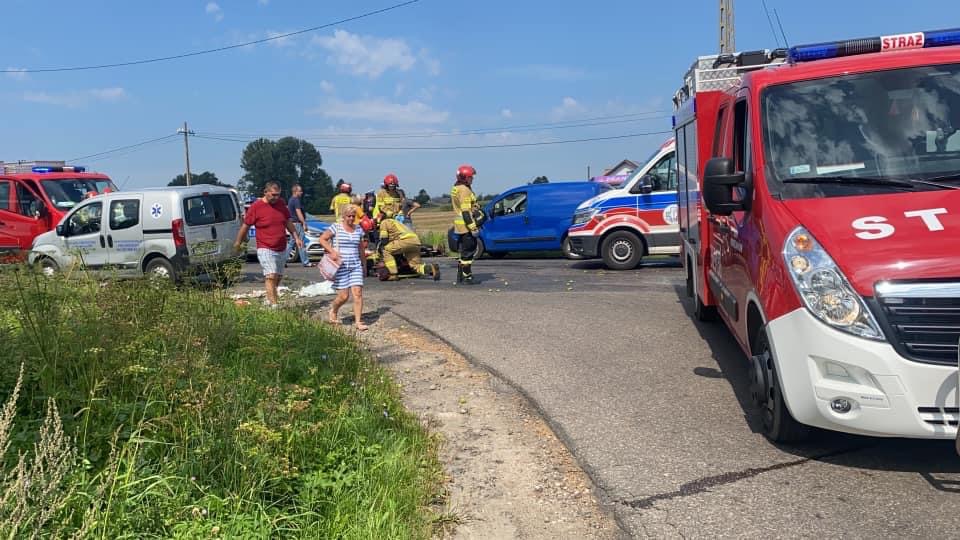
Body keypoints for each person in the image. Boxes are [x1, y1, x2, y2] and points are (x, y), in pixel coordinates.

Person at [234, 182, 303, 308]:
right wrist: (238, 242)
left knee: (278, 276)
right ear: (265, 192)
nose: (276, 197)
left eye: (278, 195)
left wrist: (296, 237)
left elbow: (288, 222)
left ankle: (269, 298)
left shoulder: (281, 204)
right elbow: (245, 226)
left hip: (281, 246)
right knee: (271, 275)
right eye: (273, 195)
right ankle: (274, 305)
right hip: (265, 247)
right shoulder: (256, 207)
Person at [318, 204, 369, 331]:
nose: (351, 219)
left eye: (353, 216)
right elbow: (322, 239)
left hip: (355, 264)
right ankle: (334, 309)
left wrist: (364, 264)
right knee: (344, 296)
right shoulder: (336, 227)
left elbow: (361, 248)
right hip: (340, 265)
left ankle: (358, 321)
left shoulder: (358, 229)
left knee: (357, 293)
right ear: (344, 216)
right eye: (349, 216)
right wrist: (332, 252)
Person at [378, 214, 439, 281]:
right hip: (415, 241)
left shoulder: (384, 222)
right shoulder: (395, 222)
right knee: (415, 266)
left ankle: (393, 274)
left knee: (385, 250)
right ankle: (431, 268)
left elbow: (384, 240)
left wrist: (380, 249)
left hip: (405, 241)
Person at [450, 164, 481, 284]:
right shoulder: (464, 190)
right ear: (464, 177)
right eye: (470, 177)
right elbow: (465, 212)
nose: (472, 178)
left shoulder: (457, 187)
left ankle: (460, 275)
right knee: (468, 252)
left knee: (464, 251)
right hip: (466, 226)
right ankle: (467, 276)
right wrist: (473, 228)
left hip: (460, 226)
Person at [287, 184, 311, 267]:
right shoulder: (296, 200)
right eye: (300, 191)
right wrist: (304, 223)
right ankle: (305, 261)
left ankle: (282, 260)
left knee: (291, 243)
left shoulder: (290, 200)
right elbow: (298, 212)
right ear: (295, 191)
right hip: (297, 223)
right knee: (301, 242)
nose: (302, 192)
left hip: (292, 223)